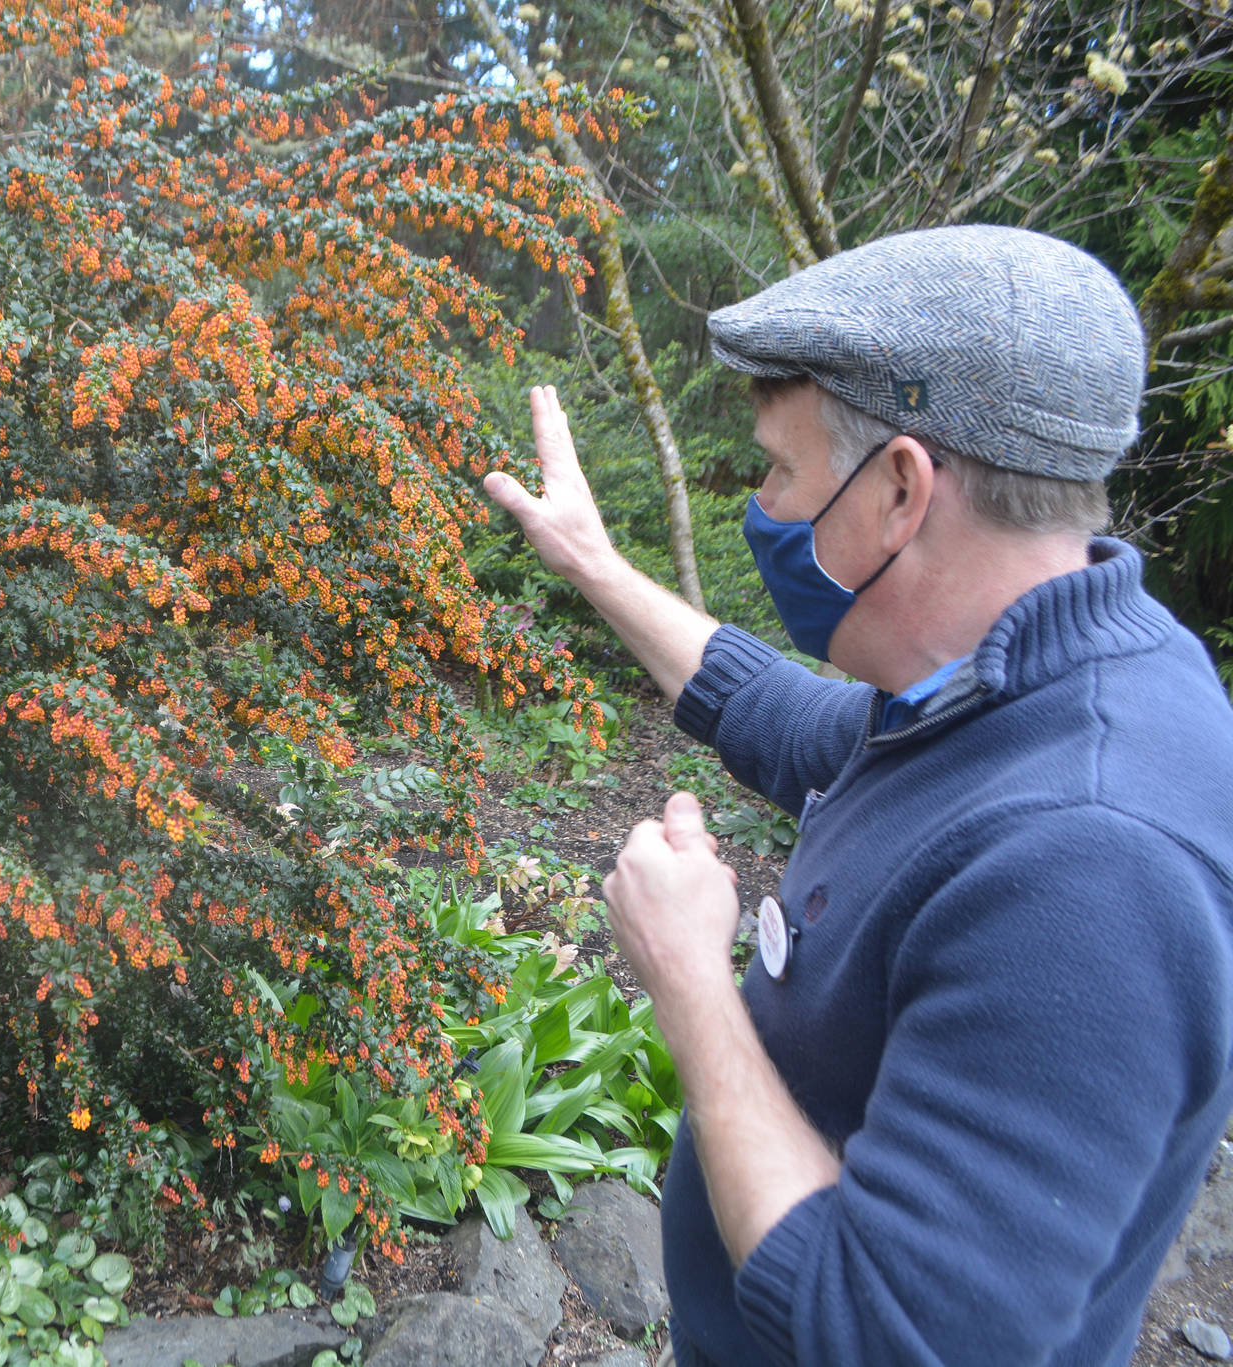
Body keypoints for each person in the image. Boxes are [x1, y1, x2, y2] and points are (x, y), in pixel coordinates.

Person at [483, 225, 1233, 1367]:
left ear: (897, 489)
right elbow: (806, 729)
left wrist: (689, 981)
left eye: (780, 472)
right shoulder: (1029, 674)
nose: (765, 505)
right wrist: (593, 563)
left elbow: (891, 1334)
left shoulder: (1091, 860)